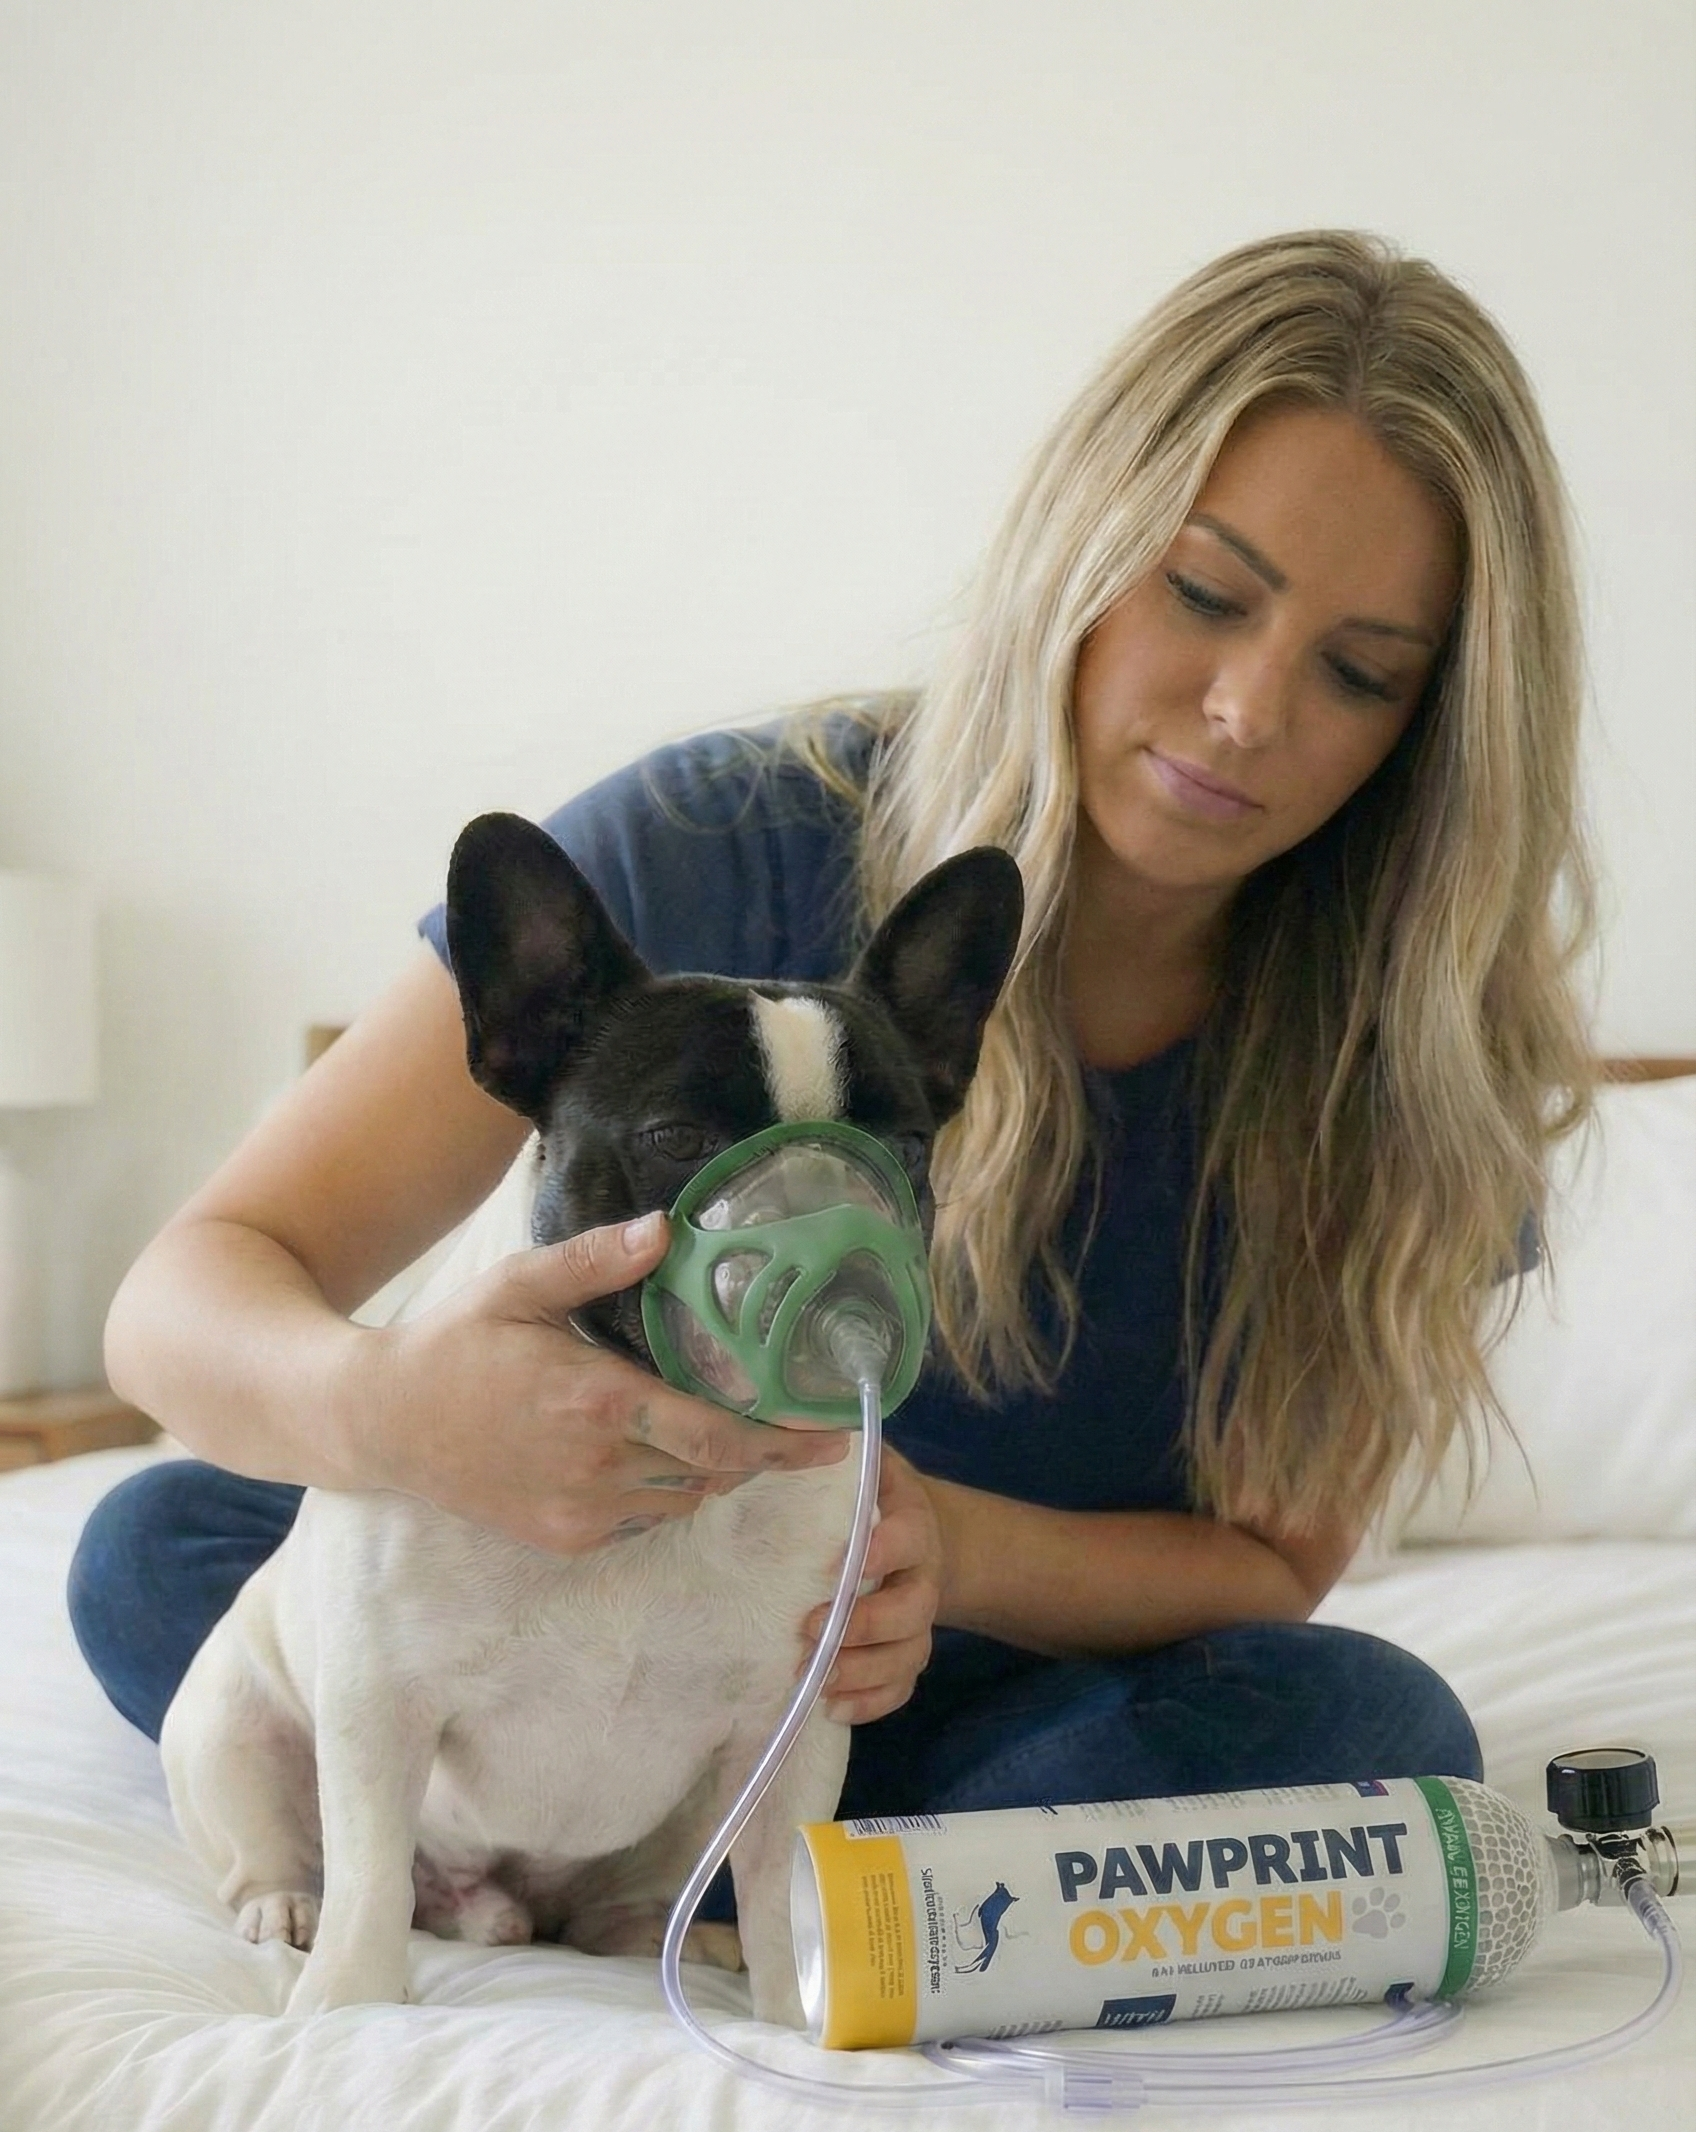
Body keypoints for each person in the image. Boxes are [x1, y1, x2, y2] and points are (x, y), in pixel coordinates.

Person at [70, 229, 1594, 1850]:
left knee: (1373, 1726)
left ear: (1437, 730)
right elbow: (189, 1299)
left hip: (960, 1685)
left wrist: (928, 1545)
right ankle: (815, 1884)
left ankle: (739, 1866)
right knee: (158, 1541)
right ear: (1083, 544)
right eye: (1205, 594)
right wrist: (398, 1415)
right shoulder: (715, 843)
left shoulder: (1415, 1059)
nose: (1248, 710)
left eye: (1360, 675)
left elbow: (1277, 1568)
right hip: (556, 1609)